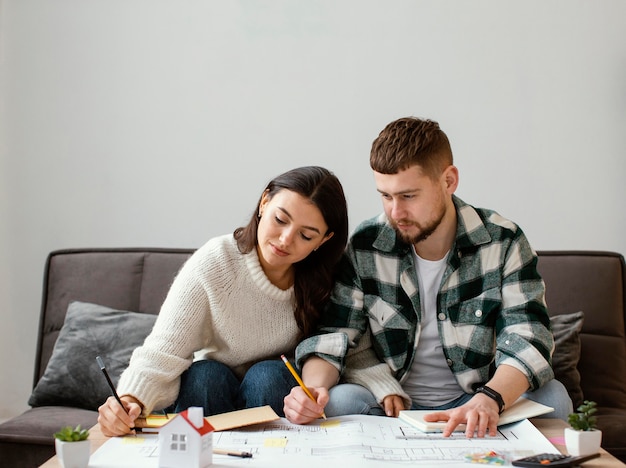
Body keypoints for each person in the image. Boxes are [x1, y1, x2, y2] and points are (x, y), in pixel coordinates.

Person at [284, 117, 572, 438]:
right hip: (393, 401)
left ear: (448, 181)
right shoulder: (368, 243)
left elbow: (528, 336)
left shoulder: (503, 240)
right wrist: (310, 392)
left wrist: (490, 398)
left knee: (555, 399)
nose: (395, 213)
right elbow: (336, 334)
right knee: (338, 401)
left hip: (477, 395)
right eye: (385, 196)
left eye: (408, 196)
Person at [98, 166, 349, 437]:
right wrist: (130, 401)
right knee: (205, 374)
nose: (285, 239)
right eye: (280, 219)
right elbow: (164, 349)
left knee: (267, 375)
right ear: (264, 202)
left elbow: (347, 343)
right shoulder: (216, 262)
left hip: (277, 389)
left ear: (324, 240)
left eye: (306, 235)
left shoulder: (329, 278)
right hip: (211, 388)